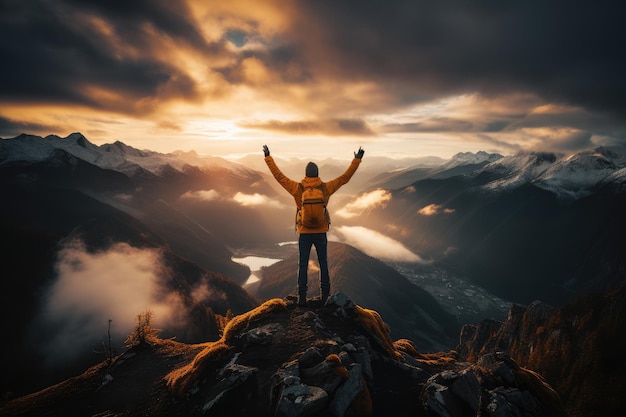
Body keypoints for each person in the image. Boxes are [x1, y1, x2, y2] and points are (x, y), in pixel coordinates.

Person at [263, 144, 365, 306]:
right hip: (320, 232)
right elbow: (345, 178)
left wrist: (268, 157)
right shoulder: (325, 188)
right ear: (317, 174)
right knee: (323, 263)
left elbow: (279, 177)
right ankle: (326, 296)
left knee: (302, 264)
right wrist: (357, 159)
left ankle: (302, 298)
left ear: (305, 175)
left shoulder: (297, 188)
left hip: (304, 232)